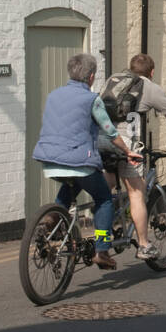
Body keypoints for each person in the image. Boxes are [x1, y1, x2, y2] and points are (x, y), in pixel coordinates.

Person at [32, 53, 141, 270]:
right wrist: (128, 151)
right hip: (79, 161)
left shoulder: (53, 95)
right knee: (104, 199)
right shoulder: (92, 99)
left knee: (71, 183)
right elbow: (109, 131)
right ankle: (102, 248)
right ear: (91, 77)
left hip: (49, 160)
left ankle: (52, 218)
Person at [97, 54, 166, 259]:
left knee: (105, 191)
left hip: (103, 140)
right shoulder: (150, 87)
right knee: (136, 193)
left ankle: (101, 237)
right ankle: (143, 245)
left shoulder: (113, 80)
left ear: (130, 68)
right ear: (151, 72)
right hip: (127, 146)